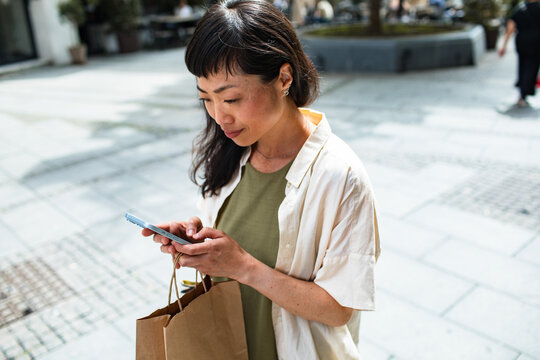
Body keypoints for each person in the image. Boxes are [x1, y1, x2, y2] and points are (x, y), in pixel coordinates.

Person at [142, 0, 380, 358]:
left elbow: (338, 308)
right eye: (206, 98)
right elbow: (230, 247)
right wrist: (198, 241)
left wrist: (243, 266)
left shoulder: (341, 176)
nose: (220, 116)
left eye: (232, 98)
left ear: (284, 78)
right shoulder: (231, 151)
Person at [499, 0, 540, 107]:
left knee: (523, 65)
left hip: (522, 41)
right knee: (533, 66)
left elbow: (510, 27)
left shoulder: (520, 8)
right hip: (536, 42)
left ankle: (522, 91)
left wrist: (504, 44)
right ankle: (525, 91)